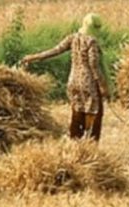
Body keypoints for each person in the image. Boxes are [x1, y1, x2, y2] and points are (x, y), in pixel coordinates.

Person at [20, 13, 109, 141]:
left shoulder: (73, 38)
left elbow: (55, 50)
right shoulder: (91, 41)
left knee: (77, 112)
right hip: (88, 83)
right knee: (94, 114)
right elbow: (93, 65)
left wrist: (34, 57)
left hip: (73, 82)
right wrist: (102, 85)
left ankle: (75, 142)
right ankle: (89, 147)